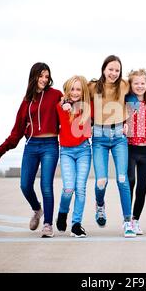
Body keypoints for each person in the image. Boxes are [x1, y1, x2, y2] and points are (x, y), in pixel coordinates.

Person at [0, 62, 62, 238]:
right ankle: (37, 209)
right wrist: (1, 150)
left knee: (46, 185)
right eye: (41, 76)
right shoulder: (26, 101)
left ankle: (47, 224)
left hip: (50, 145)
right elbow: (16, 132)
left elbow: (68, 113)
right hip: (31, 146)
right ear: (34, 77)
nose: (44, 80)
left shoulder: (56, 95)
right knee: (25, 185)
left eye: (47, 76)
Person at [88, 55, 136, 238]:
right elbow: (74, 92)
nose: (114, 73)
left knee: (122, 179)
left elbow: (142, 90)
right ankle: (100, 205)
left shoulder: (124, 85)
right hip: (99, 136)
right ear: (103, 69)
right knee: (102, 181)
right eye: (110, 69)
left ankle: (127, 222)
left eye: (117, 70)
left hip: (119, 137)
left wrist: (128, 119)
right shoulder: (92, 86)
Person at [55, 75, 92, 238]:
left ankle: (76, 224)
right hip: (66, 152)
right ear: (67, 90)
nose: (75, 92)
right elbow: (59, 103)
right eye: (72, 89)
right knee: (69, 188)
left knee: (81, 189)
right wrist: (65, 104)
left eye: (78, 89)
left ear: (83, 91)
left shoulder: (89, 107)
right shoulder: (60, 106)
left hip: (84, 150)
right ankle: (63, 212)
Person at [125, 68, 146, 235]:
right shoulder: (126, 100)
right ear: (131, 84)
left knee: (142, 187)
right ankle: (127, 220)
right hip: (130, 148)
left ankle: (136, 220)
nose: (139, 85)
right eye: (136, 83)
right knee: (130, 182)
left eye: (142, 83)